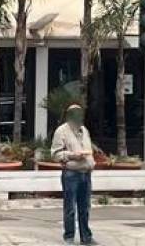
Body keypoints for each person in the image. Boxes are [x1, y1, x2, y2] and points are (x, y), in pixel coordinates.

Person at [50, 104, 96, 245]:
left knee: (85, 207)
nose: (79, 116)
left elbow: (88, 147)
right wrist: (72, 155)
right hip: (71, 174)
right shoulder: (61, 131)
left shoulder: (84, 130)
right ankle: (69, 236)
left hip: (86, 173)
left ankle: (86, 237)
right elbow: (55, 154)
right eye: (76, 113)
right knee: (70, 207)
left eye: (80, 113)